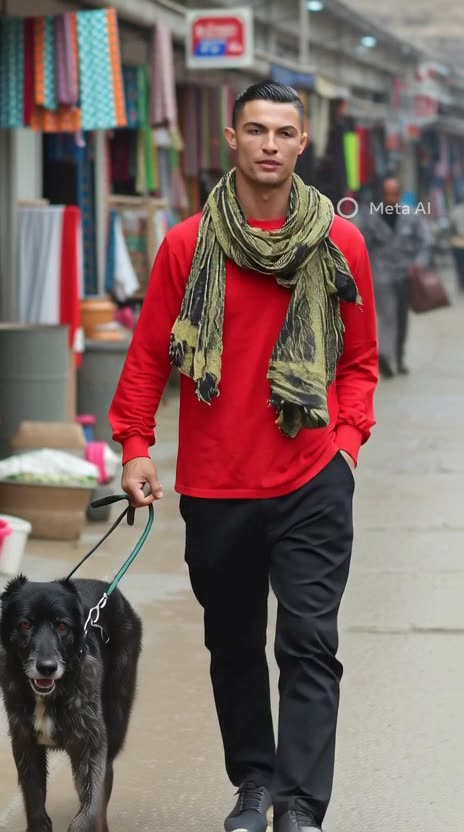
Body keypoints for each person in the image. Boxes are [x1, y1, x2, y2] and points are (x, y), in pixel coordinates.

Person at [109, 80, 378, 832]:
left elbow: (359, 362)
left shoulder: (340, 242)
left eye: (283, 132)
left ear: (301, 144)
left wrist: (347, 446)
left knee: (308, 643)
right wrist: (136, 445)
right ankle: (254, 786)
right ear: (231, 139)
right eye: (254, 129)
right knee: (232, 647)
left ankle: (298, 806)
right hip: (217, 486)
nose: (268, 143)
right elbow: (148, 359)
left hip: (311, 480)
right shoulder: (186, 245)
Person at [358, 177, 431, 377]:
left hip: (406, 274)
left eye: (394, 193)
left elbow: (425, 241)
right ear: (382, 194)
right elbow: (363, 245)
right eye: (387, 193)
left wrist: (419, 262)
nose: (391, 197)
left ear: (399, 194)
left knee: (401, 318)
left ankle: (399, 358)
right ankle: (385, 356)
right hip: (382, 275)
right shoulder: (372, 218)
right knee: (387, 316)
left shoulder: (412, 216)